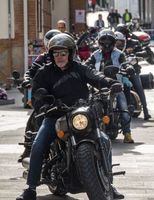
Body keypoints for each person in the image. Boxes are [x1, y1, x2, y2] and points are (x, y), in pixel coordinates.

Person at [16, 33, 124, 200]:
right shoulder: (44, 73)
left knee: (103, 140)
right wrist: (43, 104)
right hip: (55, 116)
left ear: (70, 53)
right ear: (51, 55)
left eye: (63, 53)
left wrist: (110, 83)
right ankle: (30, 188)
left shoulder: (79, 68)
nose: (59, 57)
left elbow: (95, 76)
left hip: (80, 113)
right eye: (56, 53)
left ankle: (108, 184)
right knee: (39, 145)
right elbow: (37, 94)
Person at [18, 29, 61, 162]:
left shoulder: (69, 57)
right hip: (46, 96)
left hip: (66, 96)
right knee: (35, 120)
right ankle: (29, 149)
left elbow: (82, 70)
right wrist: (26, 79)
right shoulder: (42, 58)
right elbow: (31, 71)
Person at [84, 29, 135, 143]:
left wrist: (128, 68)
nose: (106, 43)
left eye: (109, 41)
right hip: (98, 85)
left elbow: (125, 63)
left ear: (113, 42)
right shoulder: (95, 54)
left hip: (116, 85)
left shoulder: (119, 54)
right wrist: (81, 69)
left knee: (123, 108)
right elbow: (86, 65)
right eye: (104, 41)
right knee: (87, 105)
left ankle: (127, 133)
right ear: (99, 42)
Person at [115, 31, 152, 120]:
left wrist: (136, 54)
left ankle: (146, 111)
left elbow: (142, 51)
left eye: (120, 42)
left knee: (139, 86)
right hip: (116, 73)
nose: (118, 44)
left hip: (132, 70)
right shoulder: (110, 51)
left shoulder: (133, 42)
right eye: (116, 42)